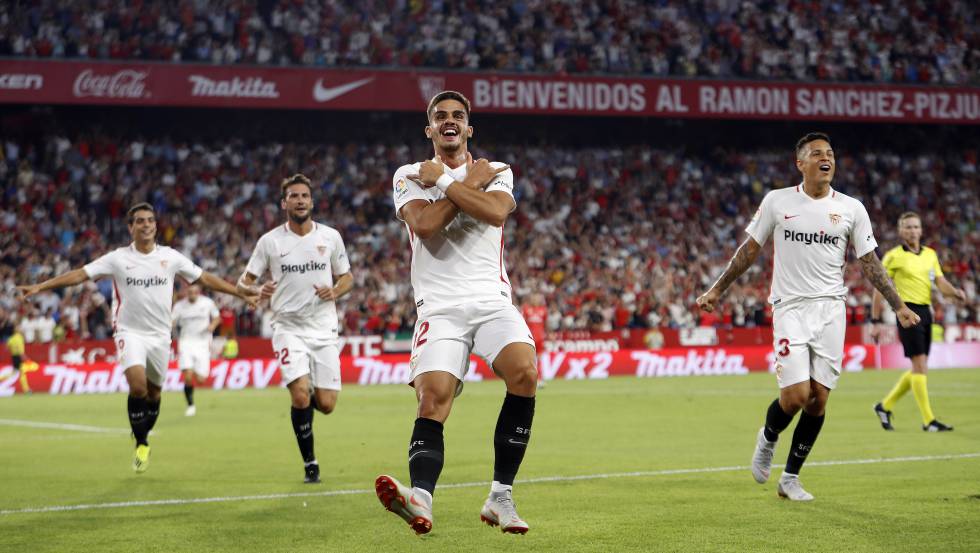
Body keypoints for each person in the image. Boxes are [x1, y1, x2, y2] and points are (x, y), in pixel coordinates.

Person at [697, 132, 919, 501]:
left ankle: (790, 478)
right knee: (797, 395)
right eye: (816, 153)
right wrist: (718, 289)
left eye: (829, 153)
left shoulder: (851, 208)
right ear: (800, 163)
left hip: (831, 310)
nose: (825, 157)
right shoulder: (777, 201)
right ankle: (768, 438)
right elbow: (749, 250)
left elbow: (869, 262)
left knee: (818, 400)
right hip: (790, 308)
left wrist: (898, 305)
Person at [375, 91, 538, 535]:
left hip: (490, 299)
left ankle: (501, 497)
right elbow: (425, 227)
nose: (450, 121)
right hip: (440, 307)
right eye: (440, 116)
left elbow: (496, 214)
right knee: (433, 398)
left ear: (469, 129)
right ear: (429, 130)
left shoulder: (498, 170)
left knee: (524, 371)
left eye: (458, 116)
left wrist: (447, 183)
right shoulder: (409, 174)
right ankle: (419, 499)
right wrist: (467, 182)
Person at [17, 202, 257, 472]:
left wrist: (240, 292)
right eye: (140, 221)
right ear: (130, 227)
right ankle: (142, 441)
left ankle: (142, 434)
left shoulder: (170, 257)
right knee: (138, 386)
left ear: (155, 226)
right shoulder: (118, 258)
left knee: (154, 394)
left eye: (150, 220)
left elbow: (204, 278)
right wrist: (41, 286)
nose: (146, 225)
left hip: (160, 336)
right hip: (129, 332)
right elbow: (79, 275)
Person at [237, 173, 353, 484]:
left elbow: (347, 277)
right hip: (287, 328)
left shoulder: (330, 237)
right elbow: (243, 282)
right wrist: (256, 291)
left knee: (326, 405)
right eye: (294, 196)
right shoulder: (270, 242)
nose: (300, 200)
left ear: (311, 202)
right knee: (300, 397)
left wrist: (336, 291)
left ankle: (310, 386)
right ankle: (310, 462)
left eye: (304, 196)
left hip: (324, 327)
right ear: (284, 203)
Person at [871, 212, 967, 432]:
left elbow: (940, 283)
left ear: (921, 230)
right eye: (908, 227)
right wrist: (875, 320)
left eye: (916, 226)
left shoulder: (930, 255)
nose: (912, 231)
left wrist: (955, 293)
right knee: (920, 366)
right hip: (907, 312)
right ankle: (928, 421)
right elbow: (879, 288)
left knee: (919, 367)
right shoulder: (893, 256)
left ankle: (884, 406)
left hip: (926, 312)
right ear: (900, 231)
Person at [172, 284, 220, 416]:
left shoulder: (207, 303)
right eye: (190, 292)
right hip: (186, 342)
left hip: (202, 343)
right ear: (187, 293)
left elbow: (217, 317)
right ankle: (190, 405)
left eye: (194, 292)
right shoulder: (179, 306)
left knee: (201, 379)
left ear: (199, 292)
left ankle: (193, 369)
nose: (192, 294)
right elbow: (172, 321)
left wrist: (212, 325)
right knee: (187, 376)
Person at [5, 325, 32, 394]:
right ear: (17, 330)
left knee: (14, 373)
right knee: (22, 373)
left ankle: (26, 389)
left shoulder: (11, 338)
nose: (21, 330)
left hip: (14, 357)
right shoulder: (20, 338)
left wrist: (12, 350)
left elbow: (7, 348)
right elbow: (20, 350)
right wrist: (25, 357)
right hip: (19, 357)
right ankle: (26, 390)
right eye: (20, 328)